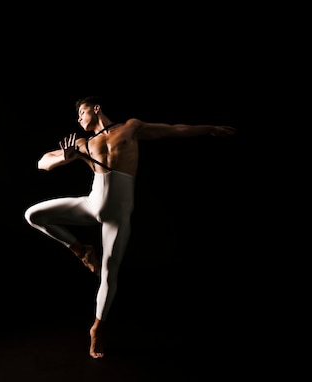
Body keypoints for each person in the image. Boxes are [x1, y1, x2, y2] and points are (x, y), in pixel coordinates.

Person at [24, 96, 237, 358]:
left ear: (96, 108)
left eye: (81, 112)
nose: (78, 118)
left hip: (118, 216)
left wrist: (209, 129)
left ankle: (96, 330)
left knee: (109, 274)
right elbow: (42, 162)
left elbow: (173, 129)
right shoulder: (83, 143)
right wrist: (62, 159)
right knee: (33, 215)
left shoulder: (131, 127)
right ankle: (81, 249)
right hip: (92, 204)